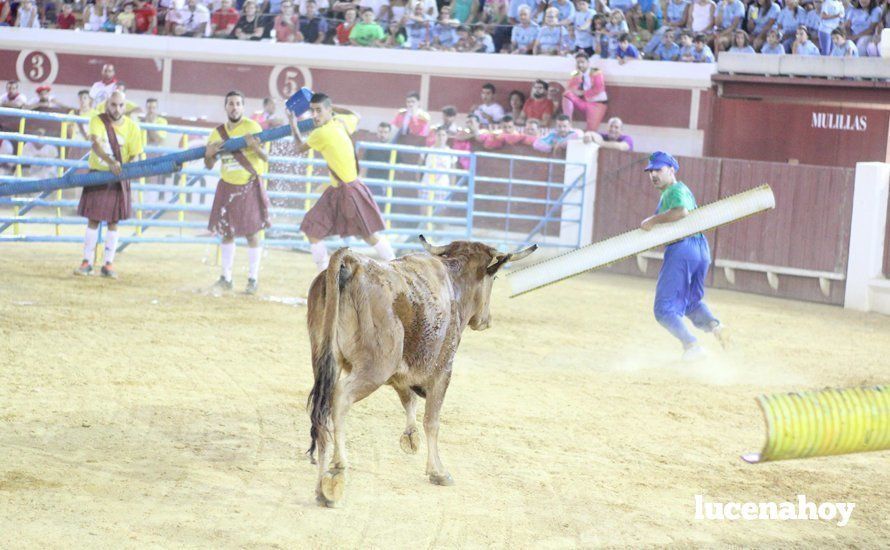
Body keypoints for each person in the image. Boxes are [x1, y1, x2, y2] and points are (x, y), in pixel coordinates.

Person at [288, 92, 395, 271]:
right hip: (342, 189)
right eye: (312, 111)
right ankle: (325, 275)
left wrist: (293, 124)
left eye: (319, 111)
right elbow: (356, 115)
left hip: (348, 191)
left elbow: (299, 147)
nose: (314, 115)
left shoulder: (321, 133)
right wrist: (331, 108)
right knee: (317, 231)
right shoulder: (341, 122)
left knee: (367, 235)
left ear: (329, 110)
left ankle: (394, 265)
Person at [640, 151, 727, 361]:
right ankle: (715, 326)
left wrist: (653, 220)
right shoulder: (680, 190)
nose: (653, 174)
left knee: (663, 310)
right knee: (690, 303)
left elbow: (681, 212)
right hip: (701, 249)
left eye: (658, 170)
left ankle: (691, 345)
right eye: (651, 171)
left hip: (683, 249)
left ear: (671, 170)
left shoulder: (674, 190)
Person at [203, 90, 272, 295]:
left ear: (243, 107)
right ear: (225, 107)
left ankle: (253, 279)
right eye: (231, 103)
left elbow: (265, 157)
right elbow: (209, 165)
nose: (234, 107)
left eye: (238, 104)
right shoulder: (216, 133)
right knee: (226, 233)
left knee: (252, 234)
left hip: (249, 185)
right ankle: (226, 278)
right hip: (227, 186)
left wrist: (254, 146)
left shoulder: (253, 127)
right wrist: (208, 155)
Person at [74, 90, 145, 279]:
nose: (117, 108)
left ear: (125, 106)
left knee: (114, 221)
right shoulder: (97, 121)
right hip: (98, 175)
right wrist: (111, 162)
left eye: (121, 105)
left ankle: (108, 264)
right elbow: (95, 145)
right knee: (93, 219)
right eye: (113, 104)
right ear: (107, 104)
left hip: (118, 178)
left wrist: (126, 169)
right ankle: (87, 261)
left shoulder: (133, 128)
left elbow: (135, 154)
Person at [561, 51, 607, 132]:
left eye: (582, 62)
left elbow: (598, 88)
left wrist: (582, 93)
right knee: (567, 94)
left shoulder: (596, 71)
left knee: (590, 131)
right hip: (584, 102)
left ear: (588, 63)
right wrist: (578, 76)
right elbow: (569, 87)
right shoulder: (575, 72)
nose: (580, 64)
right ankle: (567, 124)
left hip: (597, 104)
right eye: (578, 62)